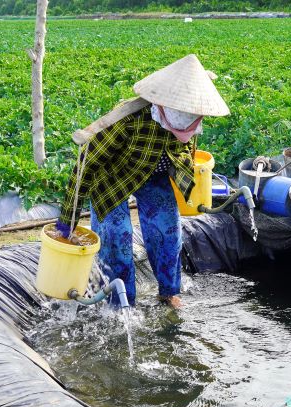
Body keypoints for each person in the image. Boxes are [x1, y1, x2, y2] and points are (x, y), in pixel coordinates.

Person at [56, 54, 229, 308]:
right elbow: (86, 164)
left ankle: (168, 293)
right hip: (112, 178)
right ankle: (121, 302)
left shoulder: (189, 115)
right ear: (164, 107)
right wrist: (66, 225)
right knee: (118, 238)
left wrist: (186, 174)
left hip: (152, 175)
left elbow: (185, 149)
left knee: (168, 230)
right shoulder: (127, 120)